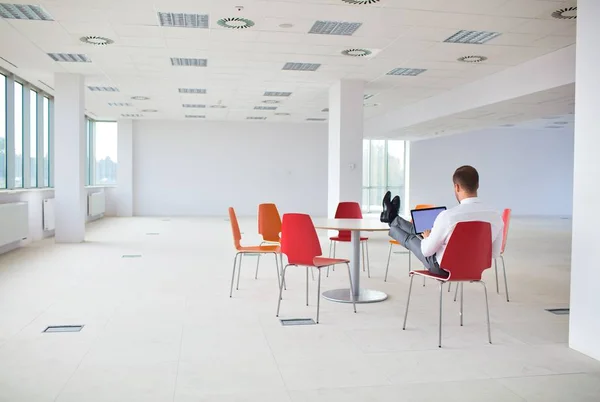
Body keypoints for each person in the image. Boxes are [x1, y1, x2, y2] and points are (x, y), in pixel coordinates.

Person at [380, 165, 504, 277]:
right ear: (477, 185)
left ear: (457, 187)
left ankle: (391, 219)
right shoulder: (496, 216)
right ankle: (393, 217)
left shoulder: (448, 216)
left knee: (411, 238)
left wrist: (428, 238)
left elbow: (426, 251)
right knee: (420, 231)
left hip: (443, 268)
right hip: (476, 268)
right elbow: (494, 253)